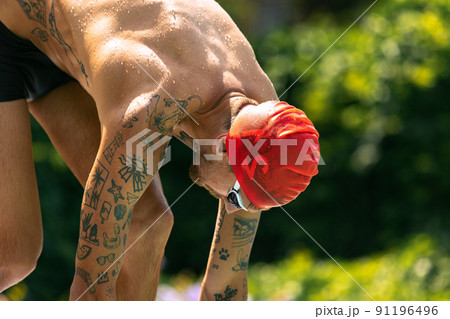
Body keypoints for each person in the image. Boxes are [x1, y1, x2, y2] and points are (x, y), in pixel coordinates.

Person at [0, 0, 320, 300]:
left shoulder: (265, 119)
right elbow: (91, 288)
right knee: (13, 255)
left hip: (67, 48)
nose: (234, 207)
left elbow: (226, 285)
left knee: (147, 224)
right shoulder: (149, 111)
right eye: (234, 197)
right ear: (223, 148)